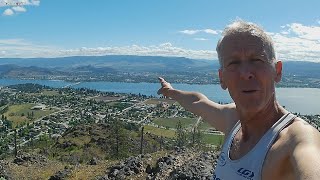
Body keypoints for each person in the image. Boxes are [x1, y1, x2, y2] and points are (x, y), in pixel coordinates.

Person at [157, 20, 320, 180]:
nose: (245, 73)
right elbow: (197, 102)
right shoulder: (232, 119)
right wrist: (170, 92)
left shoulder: (296, 138)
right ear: (222, 79)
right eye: (233, 63)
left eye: (257, 60)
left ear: (277, 71)